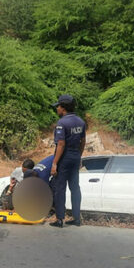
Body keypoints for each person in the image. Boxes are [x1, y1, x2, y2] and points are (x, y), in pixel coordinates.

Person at [50, 95, 86, 228]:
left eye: (58, 106)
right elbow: (83, 142)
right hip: (76, 156)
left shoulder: (62, 123)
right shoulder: (81, 122)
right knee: (75, 188)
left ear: (63, 108)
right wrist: (78, 156)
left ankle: (60, 219)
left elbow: (61, 144)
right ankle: (77, 218)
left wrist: (54, 163)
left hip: (64, 157)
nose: (57, 109)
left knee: (60, 188)